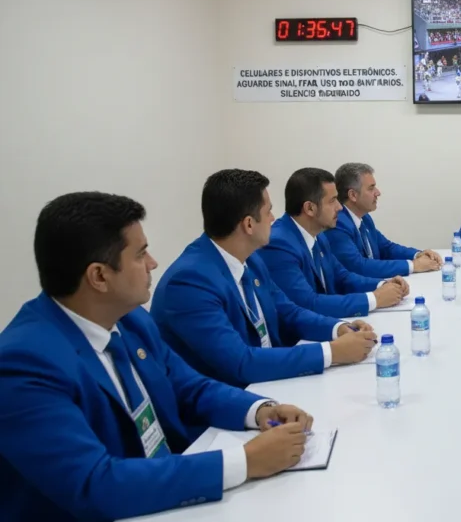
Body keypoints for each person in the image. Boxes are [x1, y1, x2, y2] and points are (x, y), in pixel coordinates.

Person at [0, 192, 316, 521]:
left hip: (164, 493)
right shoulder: (22, 365)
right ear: (99, 276)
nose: (153, 263)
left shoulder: (130, 319)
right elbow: (94, 484)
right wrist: (246, 461)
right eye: (140, 254)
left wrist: (259, 410)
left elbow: (189, 387)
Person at [151, 169, 379, 388]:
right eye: (268, 211)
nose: (273, 218)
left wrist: (339, 329)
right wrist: (332, 352)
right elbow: (240, 362)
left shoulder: (250, 259)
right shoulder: (188, 283)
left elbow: (288, 311)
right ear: (249, 224)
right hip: (232, 402)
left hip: (271, 380)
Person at [260, 167, 412, 317]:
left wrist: (382, 285)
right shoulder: (279, 244)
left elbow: (342, 276)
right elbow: (308, 303)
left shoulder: (318, 234)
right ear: (310, 208)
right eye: (332, 201)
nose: (340, 207)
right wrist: (374, 299)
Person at [325, 163, 442, 279]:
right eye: (371, 188)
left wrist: (417, 255)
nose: (378, 193)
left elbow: (386, 248)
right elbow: (358, 266)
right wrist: (413, 265)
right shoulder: (338, 223)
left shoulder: (364, 217)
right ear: (353, 195)